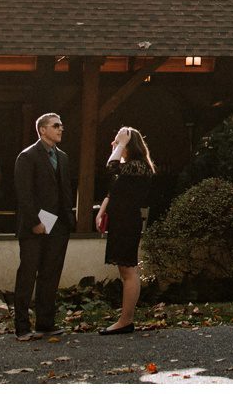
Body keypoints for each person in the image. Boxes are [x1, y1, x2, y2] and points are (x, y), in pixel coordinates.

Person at [12, 112, 77, 339]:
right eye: (56, 125)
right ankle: (21, 327)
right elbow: (24, 194)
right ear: (42, 130)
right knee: (28, 274)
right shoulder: (27, 157)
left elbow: (66, 191)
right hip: (36, 224)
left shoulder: (63, 157)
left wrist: (69, 220)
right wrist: (35, 222)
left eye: (61, 125)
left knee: (50, 274)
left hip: (59, 224)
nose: (61, 129)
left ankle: (45, 323)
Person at [97, 126, 157, 333]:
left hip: (127, 221)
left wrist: (121, 142)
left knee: (129, 269)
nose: (113, 144)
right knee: (124, 269)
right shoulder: (129, 168)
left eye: (118, 141)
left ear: (130, 145)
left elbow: (110, 167)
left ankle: (126, 320)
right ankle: (125, 319)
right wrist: (102, 212)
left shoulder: (139, 166)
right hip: (119, 219)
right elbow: (113, 191)